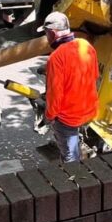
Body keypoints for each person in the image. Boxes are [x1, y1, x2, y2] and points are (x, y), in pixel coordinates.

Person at [38, 11, 99, 163]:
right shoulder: (86, 46)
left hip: (68, 118)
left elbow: (55, 95)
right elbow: (95, 76)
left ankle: (77, 181)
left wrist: (49, 117)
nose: (46, 37)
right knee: (73, 147)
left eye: (46, 33)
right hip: (89, 111)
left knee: (70, 158)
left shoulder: (56, 57)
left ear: (52, 33)